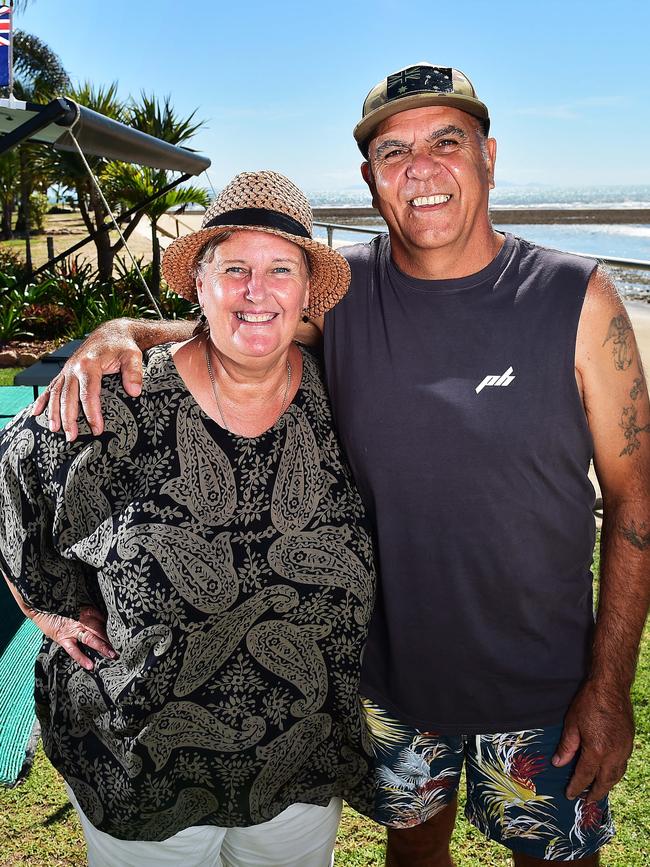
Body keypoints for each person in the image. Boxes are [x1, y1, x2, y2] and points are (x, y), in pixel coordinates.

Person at [36, 64, 650, 866]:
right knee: (414, 856)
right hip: (390, 687)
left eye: (447, 142)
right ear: (370, 179)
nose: (420, 170)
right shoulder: (345, 294)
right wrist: (125, 329)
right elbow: (246, 315)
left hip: (545, 687)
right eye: (393, 152)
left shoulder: (578, 296)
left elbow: (636, 496)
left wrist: (609, 687)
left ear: (489, 156)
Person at [0, 170, 378, 866]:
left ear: (305, 294)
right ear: (199, 284)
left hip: (299, 769)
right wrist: (44, 609)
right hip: (141, 774)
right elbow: (14, 469)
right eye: (234, 268)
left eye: (279, 270)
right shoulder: (119, 397)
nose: (257, 292)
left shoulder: (342, 397)